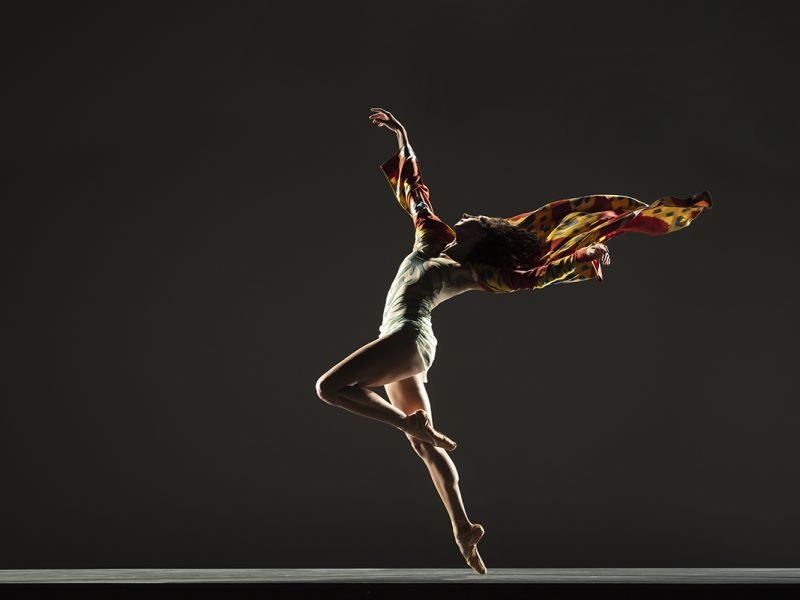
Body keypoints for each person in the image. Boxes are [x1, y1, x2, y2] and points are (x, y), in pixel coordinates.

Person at [315, 108, 712, 575]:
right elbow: (416, 192)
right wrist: (402, 138)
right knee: (427, 448)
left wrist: (584, 255)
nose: (463, 220)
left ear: (481, 239)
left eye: (473, 223)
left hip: (408, 338)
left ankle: (412, 425)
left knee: (331, 389)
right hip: (406, 345)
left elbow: (537, 276)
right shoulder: (430, 238)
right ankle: (464, 528)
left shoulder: (474, 272)